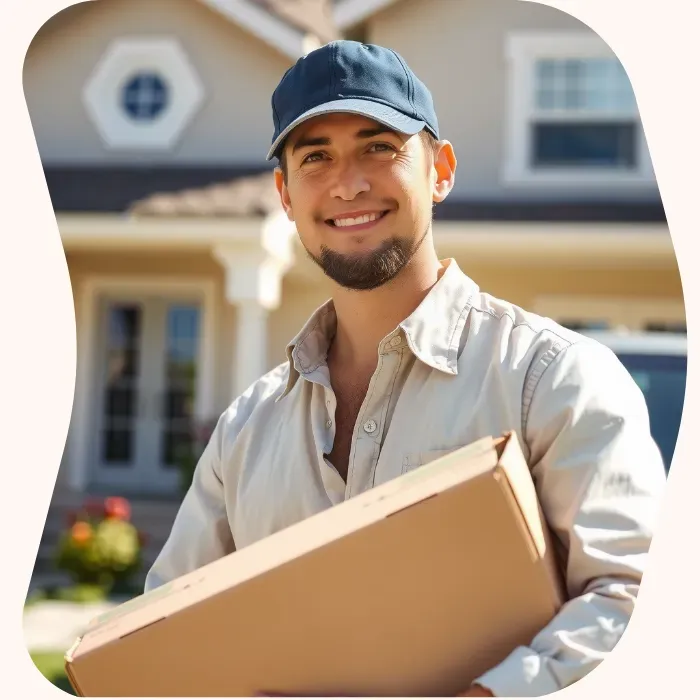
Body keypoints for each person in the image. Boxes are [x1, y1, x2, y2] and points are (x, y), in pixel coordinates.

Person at [145, 41, 666, 697]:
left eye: (379, 147)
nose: (348, 182)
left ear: (440, 169)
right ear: (284, 193)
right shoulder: (246, 430)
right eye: (315, 157)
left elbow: (635, 602)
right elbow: (168, 635)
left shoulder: (551, 379)